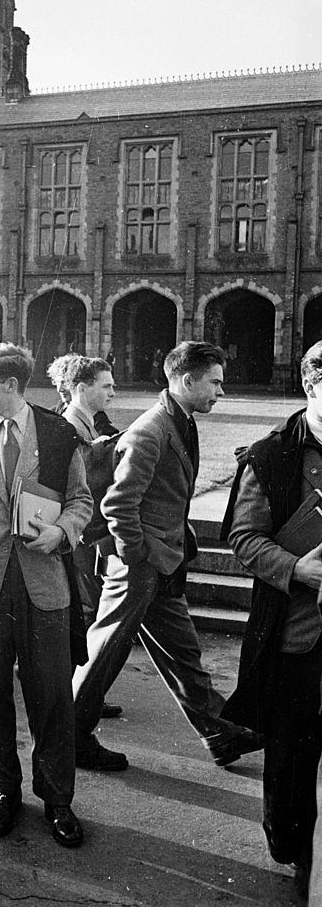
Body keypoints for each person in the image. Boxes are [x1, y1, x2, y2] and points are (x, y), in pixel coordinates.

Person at [72, 341, 265, 772]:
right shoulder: (151, 429)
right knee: (104, 653)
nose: (220, 391)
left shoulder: (180, 421)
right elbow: (118, 506)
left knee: (183, 651)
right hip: (140, 565)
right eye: (214, 382)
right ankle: (68, 738)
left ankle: (218, 732)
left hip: (163, 561)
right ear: (187, 380)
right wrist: (139, 559)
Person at [0, 343, 93, 847]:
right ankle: (5, 789)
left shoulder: (57, 434)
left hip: (43, 583)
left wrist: (63, 534)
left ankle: (58, 799)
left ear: (10, 384)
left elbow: (80, 500)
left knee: (50, 693)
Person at [222, 340, 322, 901]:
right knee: (292, 748)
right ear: (311, 386)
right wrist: (296, 570)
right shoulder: (271, 454)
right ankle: (290, 842)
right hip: (295, 633)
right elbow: (242, 538)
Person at [62, 356, 123, 724]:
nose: (113, 392)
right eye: (106, 385)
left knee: (91, 609)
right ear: (83, 388)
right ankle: (79, 694)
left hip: (90, 529)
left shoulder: (86, 422)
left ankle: (84, 691)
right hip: (86, 531)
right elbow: (81, 476)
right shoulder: (73, 423)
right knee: (87, 610)